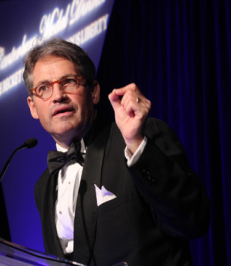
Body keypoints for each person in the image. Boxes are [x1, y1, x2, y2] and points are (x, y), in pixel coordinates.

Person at [23, 38, 210, 266]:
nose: (58, 95)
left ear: (94, 92)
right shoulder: (43, 187)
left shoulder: (139, 137)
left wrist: (137, 144)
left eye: (69, 81)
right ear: (33, 106)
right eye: (44, 88)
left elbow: (192, 220)